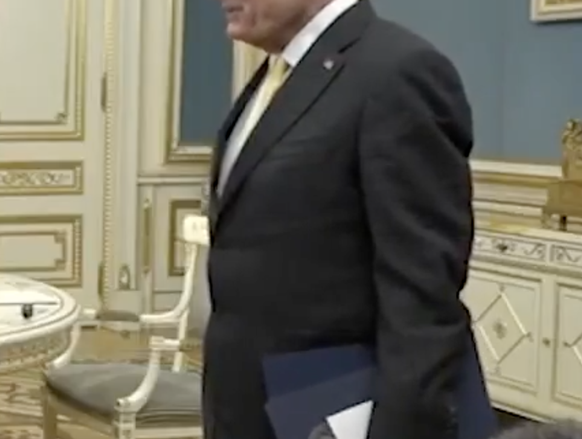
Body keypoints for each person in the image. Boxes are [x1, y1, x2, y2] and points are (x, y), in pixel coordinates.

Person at [204, 1, 482, 439]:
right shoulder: (278, 74)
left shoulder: (398, 72)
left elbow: (422, 292)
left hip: (333, 408)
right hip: (248, 402)